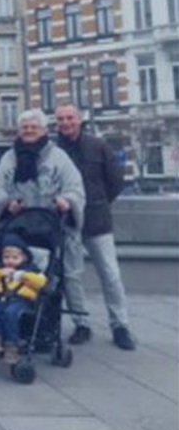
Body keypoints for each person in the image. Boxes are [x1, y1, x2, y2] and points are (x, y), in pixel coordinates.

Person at [0, 109, 86, 342]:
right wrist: (5, 203)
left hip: (52, 226)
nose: (29, 131)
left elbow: (74, 186)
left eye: (34, 127)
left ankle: (81, 323)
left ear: (44, 130)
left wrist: (68, 200)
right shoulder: (9, 158)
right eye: (25, 128)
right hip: (20, 227)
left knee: (67, 274)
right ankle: (10, 325)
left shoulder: (58, 157)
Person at [55, 103, 136, 350]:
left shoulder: (98, 146)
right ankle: (81, 323)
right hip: (69, 221)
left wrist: (99, 202)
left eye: (70, 118)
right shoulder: (54, 150)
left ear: (79, 119)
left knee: (110, 274)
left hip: (97, 220)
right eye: (60, 119)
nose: (65, 123)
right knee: (71, 275)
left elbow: (116, 181)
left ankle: (120, 325)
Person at [0, 234, 48, 365]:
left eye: (15, 258)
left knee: (10, 313)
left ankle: (12, 345)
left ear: (24, 257)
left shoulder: (31, 269)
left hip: (22, 301)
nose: (10, 261)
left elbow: (41, 282)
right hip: (2, 299)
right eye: (6, 257)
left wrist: (24, 276)